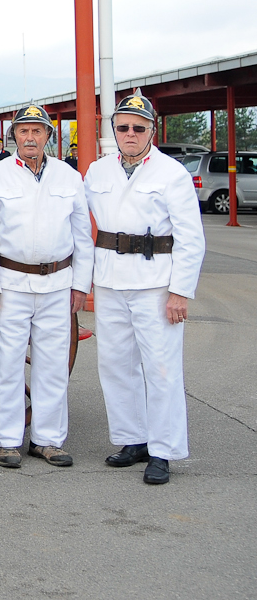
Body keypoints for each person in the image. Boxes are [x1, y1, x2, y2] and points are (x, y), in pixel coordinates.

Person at [85, 90, 205, 485]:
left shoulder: (172, 173)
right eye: (123, 127)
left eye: (139, 128)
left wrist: (180, 291)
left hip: (156, 283)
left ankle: (163, 450)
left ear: (152, 130)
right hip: (110, 280)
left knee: (161, 369)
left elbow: (191, 238)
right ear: (114, 130)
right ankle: (132, 439)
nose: (130, 134)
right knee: (115, 364)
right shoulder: (97, 172)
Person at [0, 104, 93, 469]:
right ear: (13, 136)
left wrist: (80, 285)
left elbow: (82, 236)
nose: (30, 138)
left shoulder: (68, 177)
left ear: (48, 137)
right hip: (10, 285)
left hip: (58, 284)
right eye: (23, 131)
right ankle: (7, 441)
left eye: (37, 131)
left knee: (53, 366)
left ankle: (48, 439)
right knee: (7, 365)